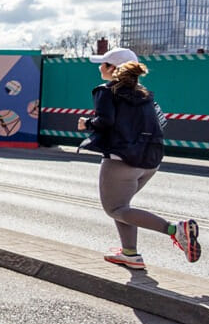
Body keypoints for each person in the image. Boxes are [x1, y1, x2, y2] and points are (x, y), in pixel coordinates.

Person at [77, 47, 200, 268]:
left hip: (121, 159)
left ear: (113, 69)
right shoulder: (145, 93)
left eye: (103, 63)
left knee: (114, 209)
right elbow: (161, 122)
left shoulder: (105, 91)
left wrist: (86, 123)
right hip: (150, 161)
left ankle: (175, 229)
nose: (99, 67)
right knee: (123, 207)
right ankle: (130, 253)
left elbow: (105, 121)